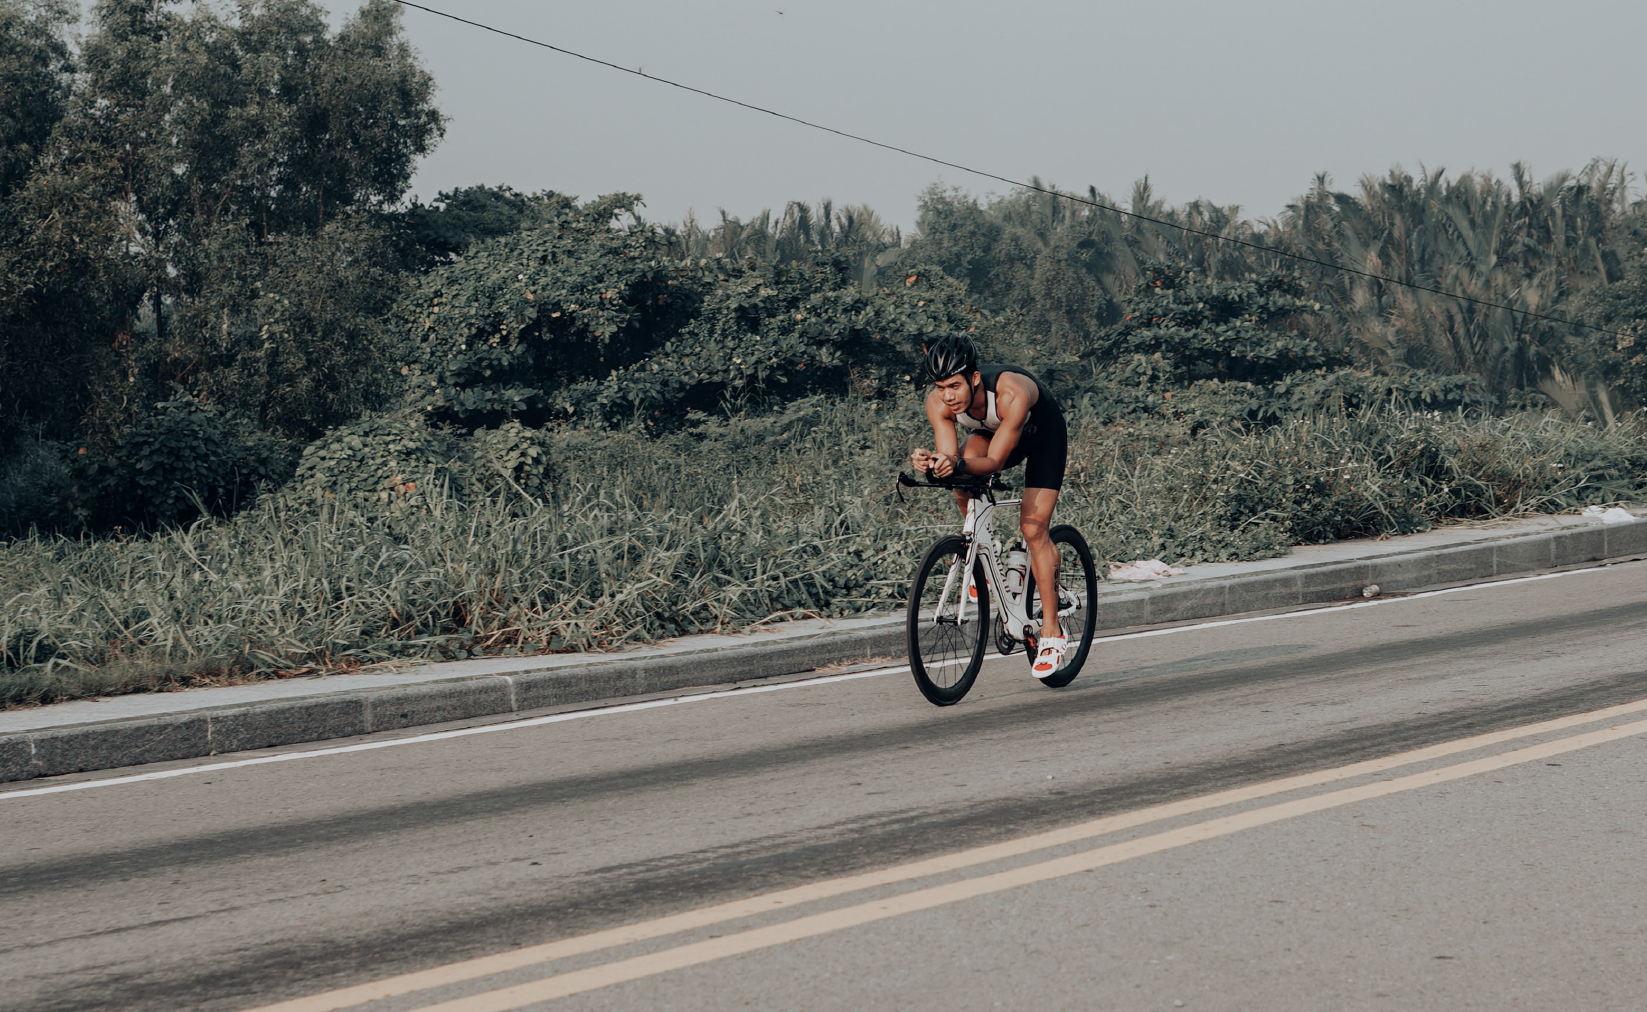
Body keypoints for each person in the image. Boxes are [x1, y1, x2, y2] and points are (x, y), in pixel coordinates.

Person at [909, 334, 1071, 678]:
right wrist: (933, 462)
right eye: (940, 387)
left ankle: (1053, 632)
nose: (948, 396)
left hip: (1043, 437)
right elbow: (952, 459)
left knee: (1033, 528)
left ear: (975, 378)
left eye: (954, 385)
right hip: (992, 434)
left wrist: (956, 464)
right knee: (959, 476)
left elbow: (995, 461)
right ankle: (984, 548)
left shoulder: (1012, 392)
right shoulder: (938, 403)